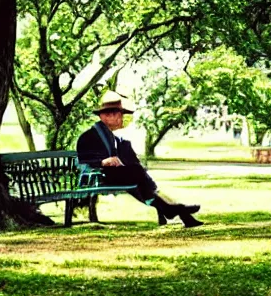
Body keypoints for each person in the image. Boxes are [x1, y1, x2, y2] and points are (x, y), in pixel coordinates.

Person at [77, 91, 203, 228]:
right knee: (137, 172)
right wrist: (103, 161)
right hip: (98, 176)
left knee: (137, 172)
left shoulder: (114, 138)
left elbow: (128, 159)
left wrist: (125, 152)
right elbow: (85, 159)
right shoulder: (88, 136)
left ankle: (173, 209)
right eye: (120, 115)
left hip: (113, 174)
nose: (122, 119)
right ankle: (172, 209)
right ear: (107, 116)